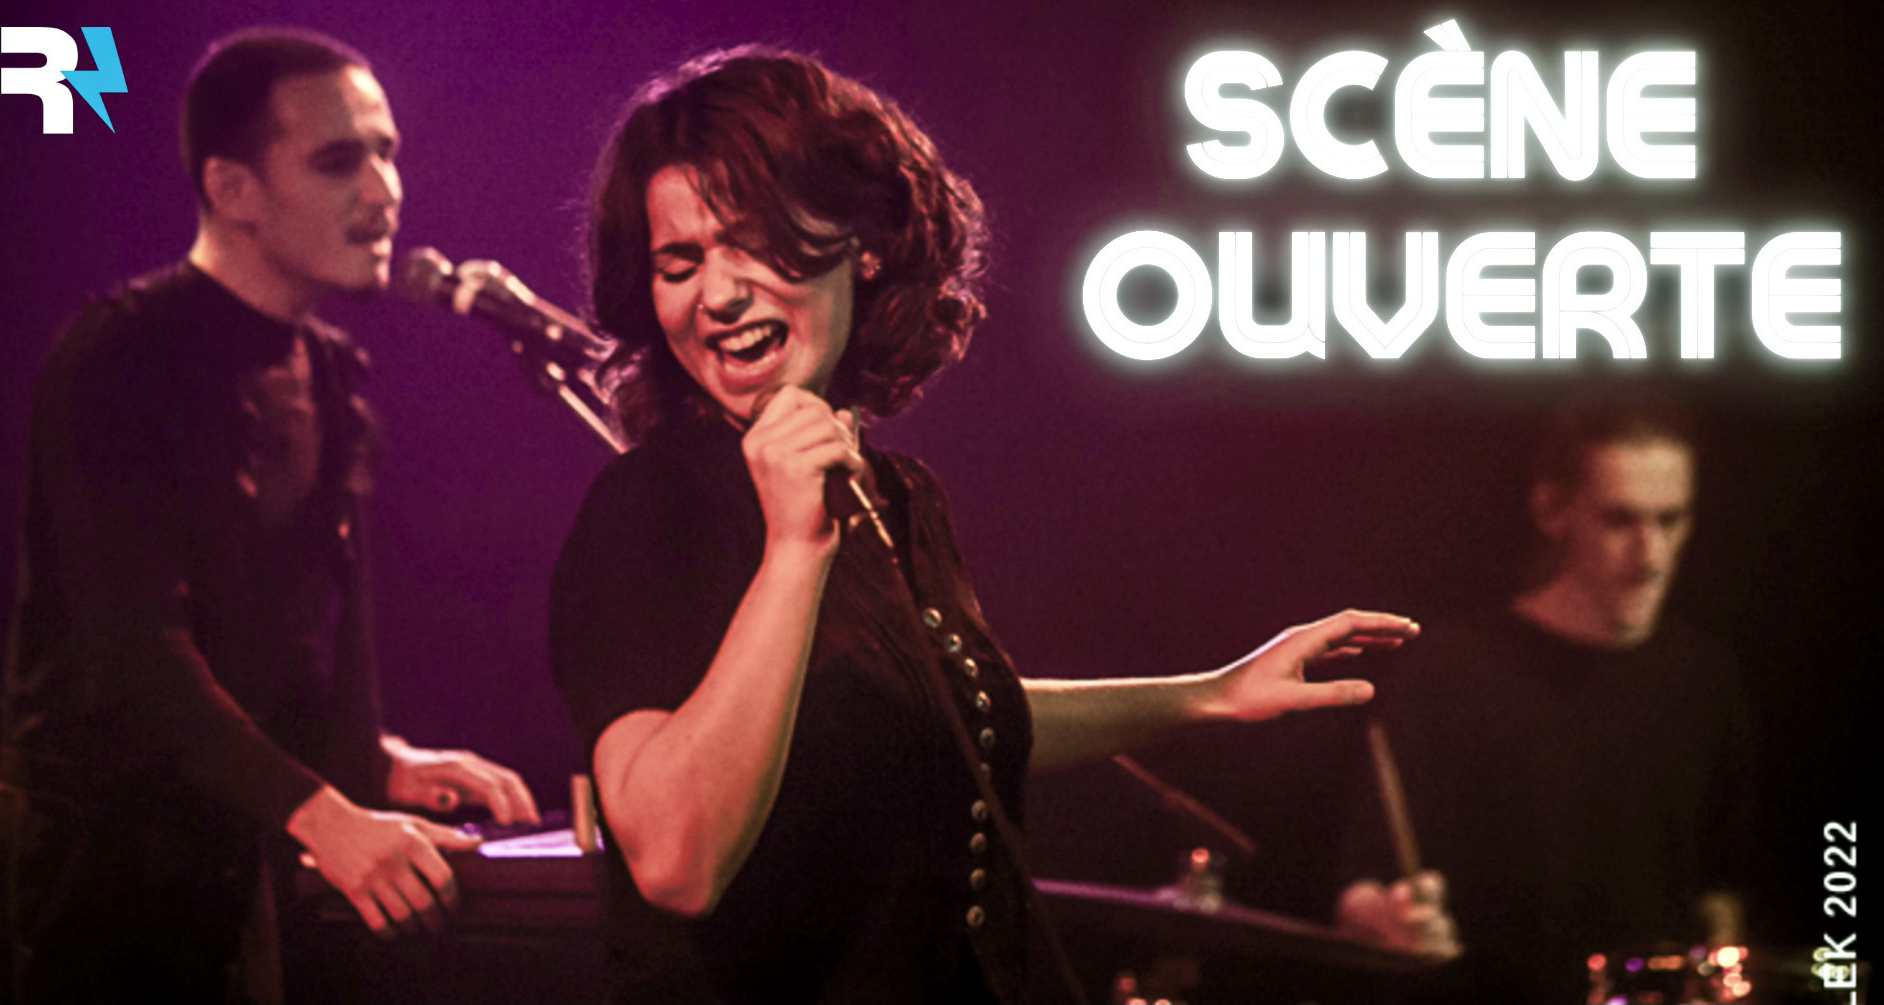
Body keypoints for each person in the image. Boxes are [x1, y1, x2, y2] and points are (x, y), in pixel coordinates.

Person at [549, 46, 1418, 1004]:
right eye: (679, 264)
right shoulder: (652, 506)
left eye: (751, 243)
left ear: (862, 242)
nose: (717, 294)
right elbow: (675, 857)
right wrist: (794, 552)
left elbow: (942, 713)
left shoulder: (900, 495)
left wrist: (1210, 694)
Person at [0, 27, 539, 1004]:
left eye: (387, 152)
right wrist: (323, 812)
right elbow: (130, 654)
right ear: (233, 189)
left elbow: (283, 646)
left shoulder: (334, 371)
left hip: (222, 871)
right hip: (85, 883)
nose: (384, 191)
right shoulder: (118, 358)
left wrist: (375, 761)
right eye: (338, 160)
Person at [1334, 391, 1754, 1004]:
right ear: (1552, 509)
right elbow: (1358, 891)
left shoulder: (1706, 679)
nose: (1652, 556)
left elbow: (1723, 893)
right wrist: (1389, 920)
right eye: (1621, 520)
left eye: (1671, 520)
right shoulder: (1448, 672)